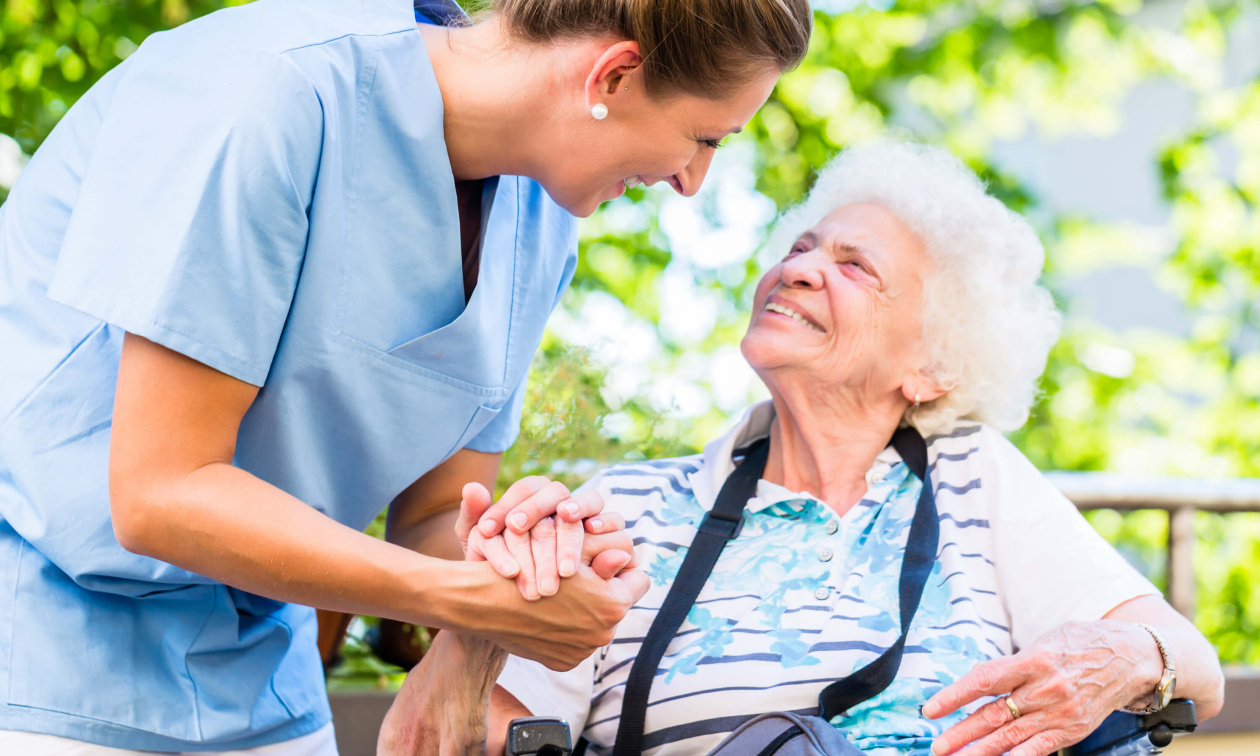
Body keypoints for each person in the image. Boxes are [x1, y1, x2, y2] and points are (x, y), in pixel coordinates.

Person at [0, 0, 813, 752]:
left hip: (257, 690)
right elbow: (158, 494)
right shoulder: (271, 91)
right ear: (613, 76)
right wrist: (457, 600)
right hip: (40, 660)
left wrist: (525, 559)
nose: (692, 180)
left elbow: (428, 517)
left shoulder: (538, 228)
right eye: (706, 137)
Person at [391, 140, 1226, 756]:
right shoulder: (629, 508)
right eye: (800, 248)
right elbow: (437, 747)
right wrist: (480, 625)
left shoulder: (975, 479)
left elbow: (1197, 668)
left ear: (932, 365)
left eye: (855, 267)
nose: (800, 269)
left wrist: (1119, 655)